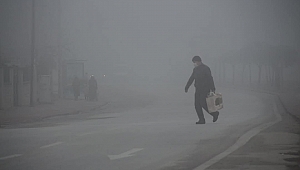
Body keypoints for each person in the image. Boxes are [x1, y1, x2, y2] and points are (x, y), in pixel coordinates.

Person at [185, 56, 219, 124]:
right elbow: (192, 78)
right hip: (198, 89)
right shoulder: (195, 69)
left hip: (205, 89)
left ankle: (214, 113)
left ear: (198, 61)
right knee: (197, 105)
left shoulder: (206, 68)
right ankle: (201, 119)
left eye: (195, 62)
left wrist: (213, 88)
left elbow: (210, 78)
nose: (194, 63)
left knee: (203, 103)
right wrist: (187, 86)